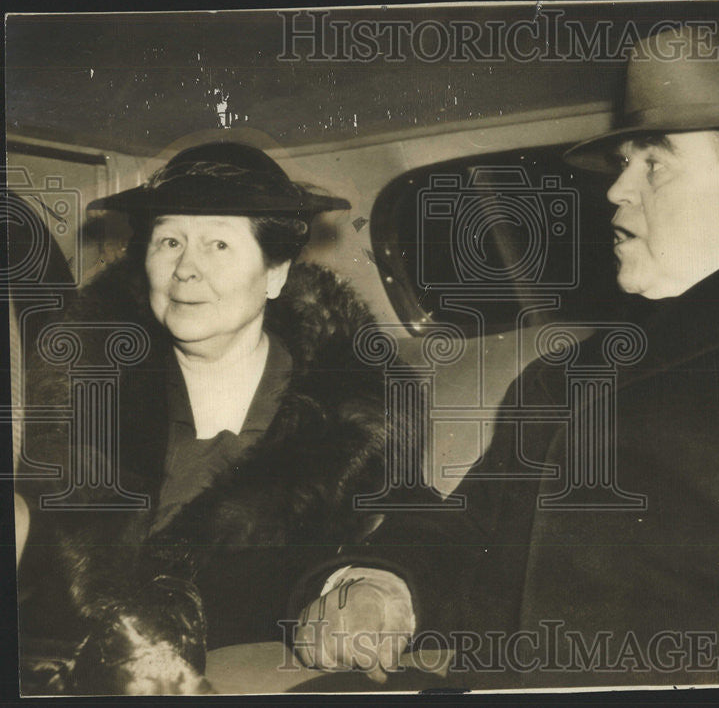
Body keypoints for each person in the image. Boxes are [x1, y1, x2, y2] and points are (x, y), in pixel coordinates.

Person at [296, 24, 719, 689]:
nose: (616, 189)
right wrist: (382, 584)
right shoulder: (567, 373)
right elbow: (470, 526)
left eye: (654, 163)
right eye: (625, 162)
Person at [14, 142, 422, 694]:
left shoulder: (347, 421)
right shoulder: (77, 398)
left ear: (275, 273)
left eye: (219, 244)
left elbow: (416, 527)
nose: (186, 268)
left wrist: (370, 583)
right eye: (170, 240)